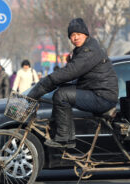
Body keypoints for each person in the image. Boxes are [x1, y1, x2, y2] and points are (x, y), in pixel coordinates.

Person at [27, 18, 118, 148]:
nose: (75, 38)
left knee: (62, 95)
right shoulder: (82, 50)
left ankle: (64, 138)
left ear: (86, 34)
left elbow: (71, 71)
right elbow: (71, 74)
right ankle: (62, 134)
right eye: (72, 35)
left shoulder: (90, 51)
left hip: (102, 96)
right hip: (94, 91)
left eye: (78, 34)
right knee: (62, 91)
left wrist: (46, 82)